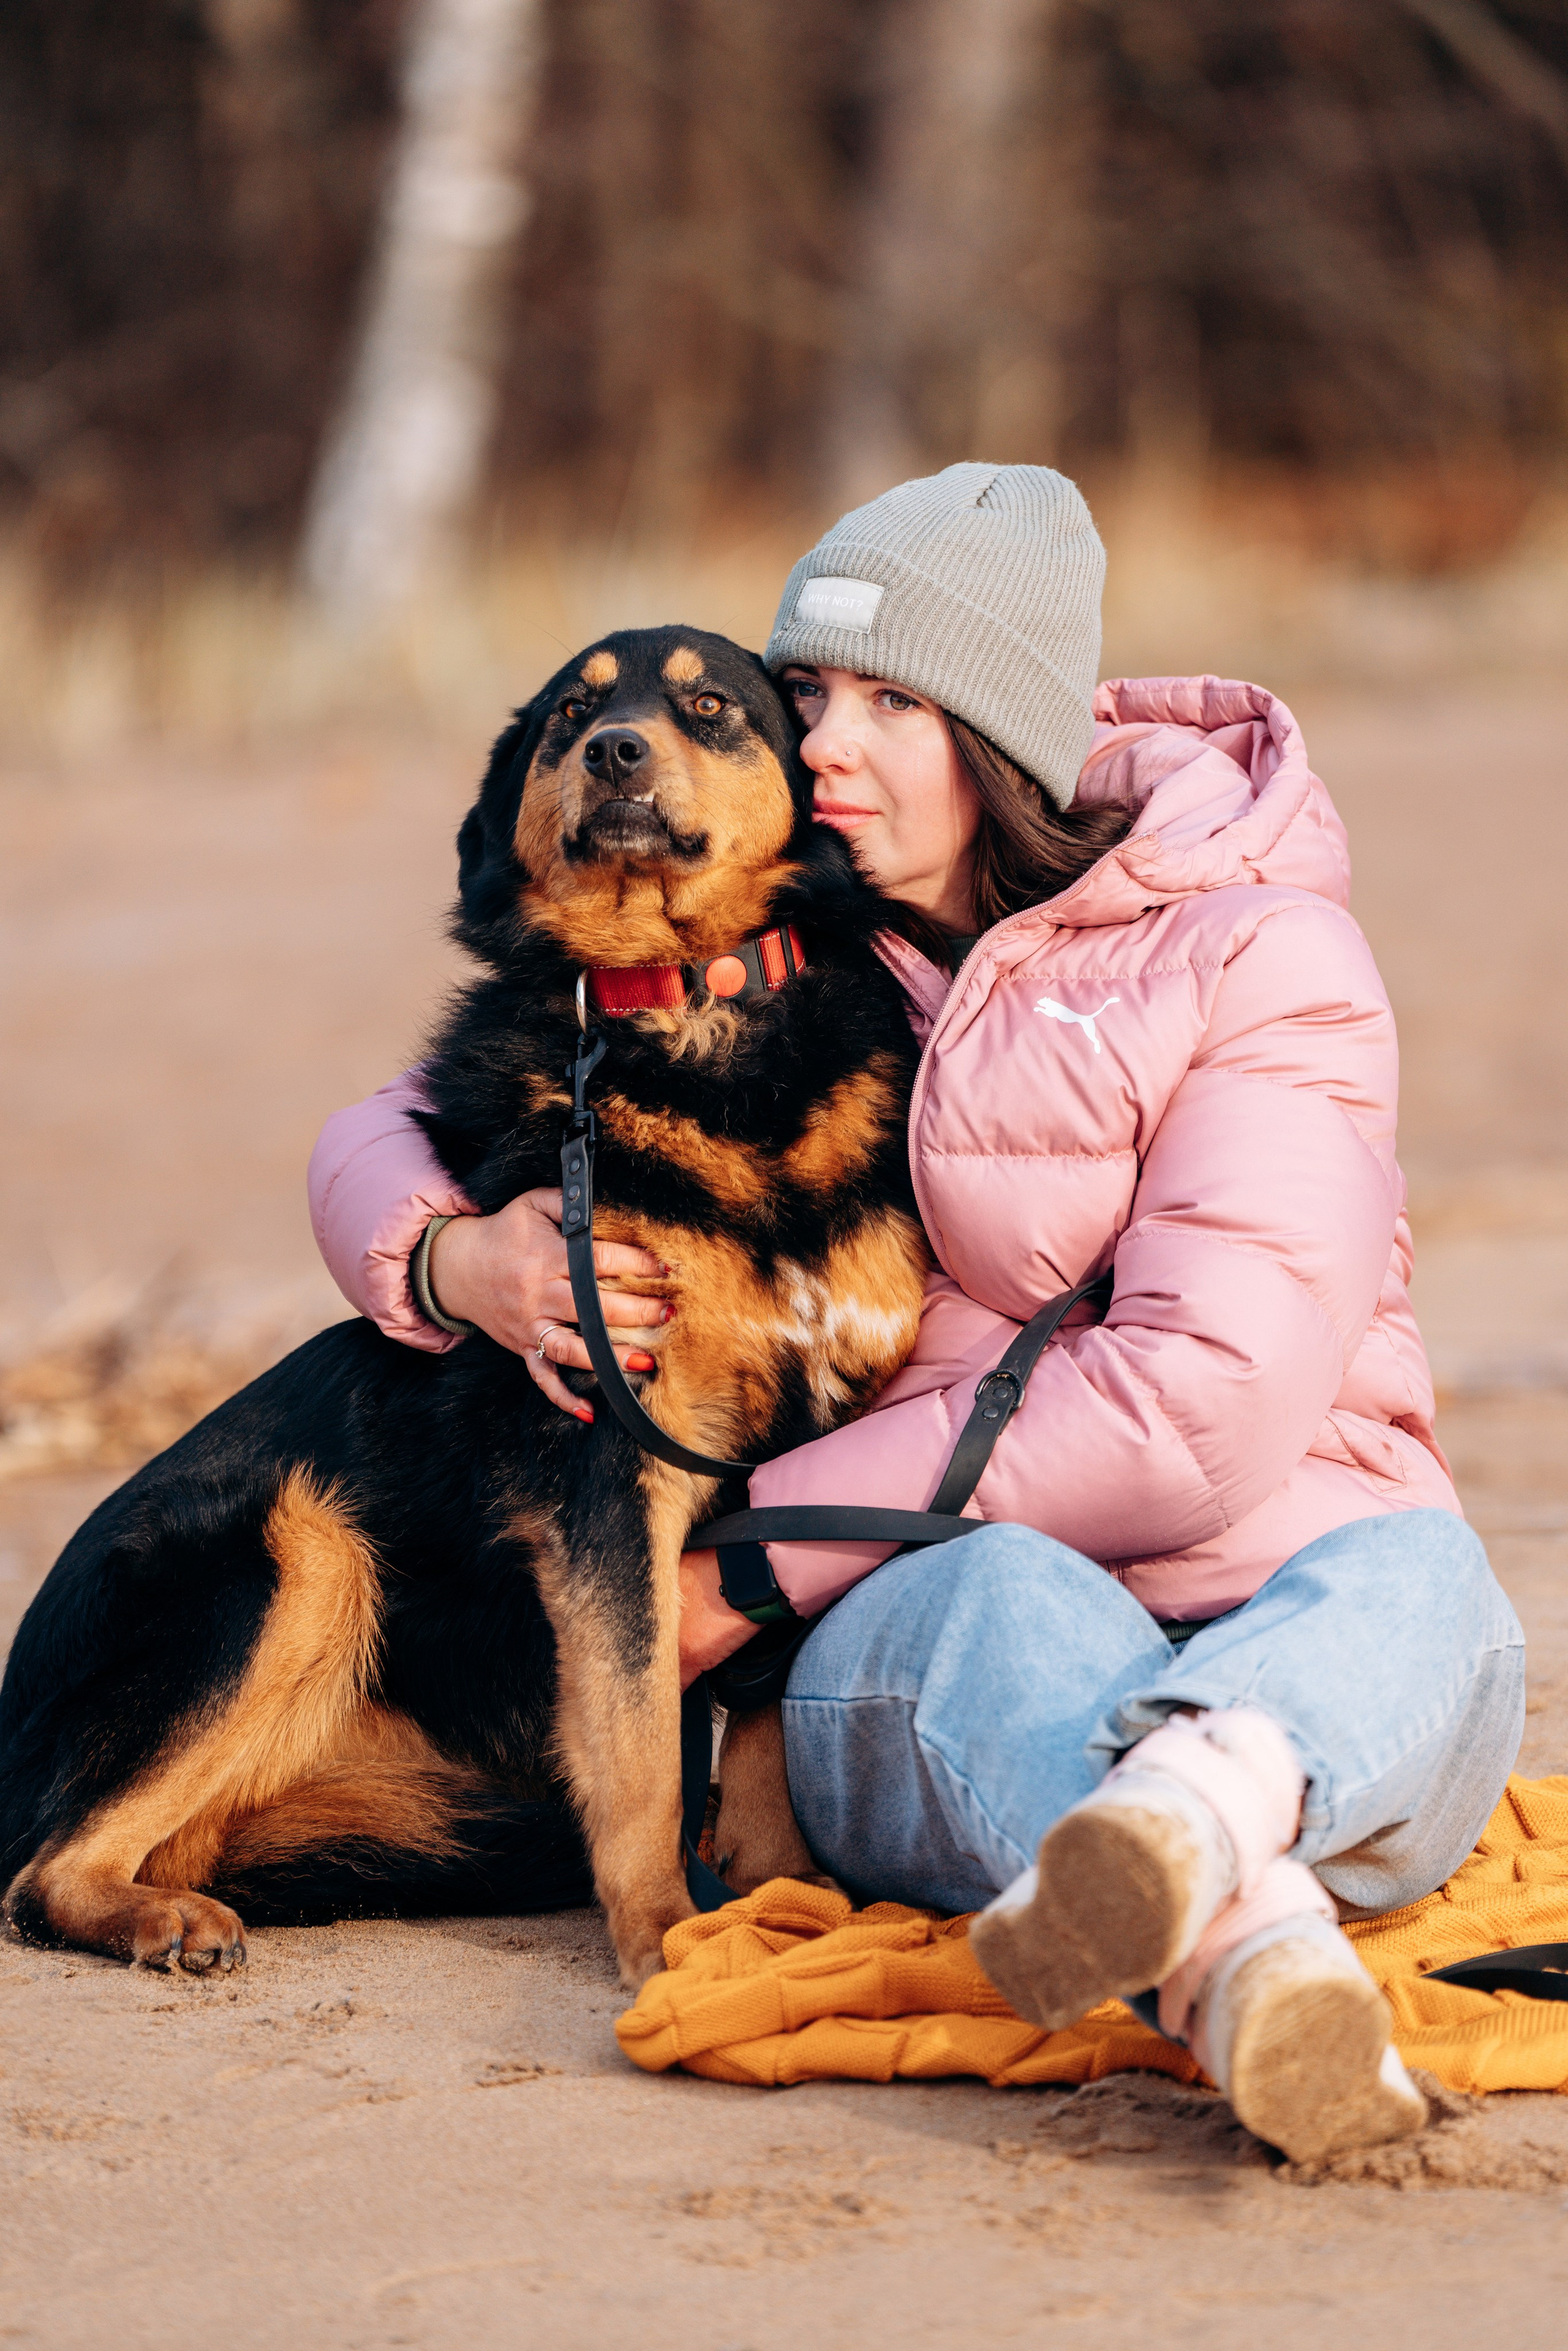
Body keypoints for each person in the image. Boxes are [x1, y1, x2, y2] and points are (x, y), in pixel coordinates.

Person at [307, 464, 1522, 2164]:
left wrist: (756, 1551)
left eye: (891, 701)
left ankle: (1200, 1864)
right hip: (968, 1638)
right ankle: (1244, 1946)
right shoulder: (797, 962)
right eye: (807, 694)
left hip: (1308, 1653)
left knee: (1423, 1577)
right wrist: (453, 1261)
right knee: (1003, 1606)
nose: (824, 747)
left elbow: (1202, 1407)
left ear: (1006, 734)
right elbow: (395, 1117)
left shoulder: (1264, 959)